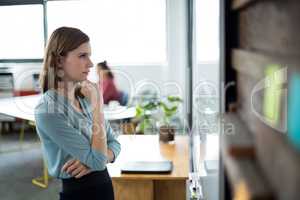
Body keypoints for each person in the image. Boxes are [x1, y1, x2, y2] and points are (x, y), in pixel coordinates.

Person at [34, 27, 121, 200]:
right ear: (59, 61)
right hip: (80, 192)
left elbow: (115, 144)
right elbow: (98, 159)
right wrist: (98, 107)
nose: (90, 64)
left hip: (104, 185)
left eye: (89, 55)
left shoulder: (85, 98)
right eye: (82, 56)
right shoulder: (47, 109)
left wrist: (99, 159)